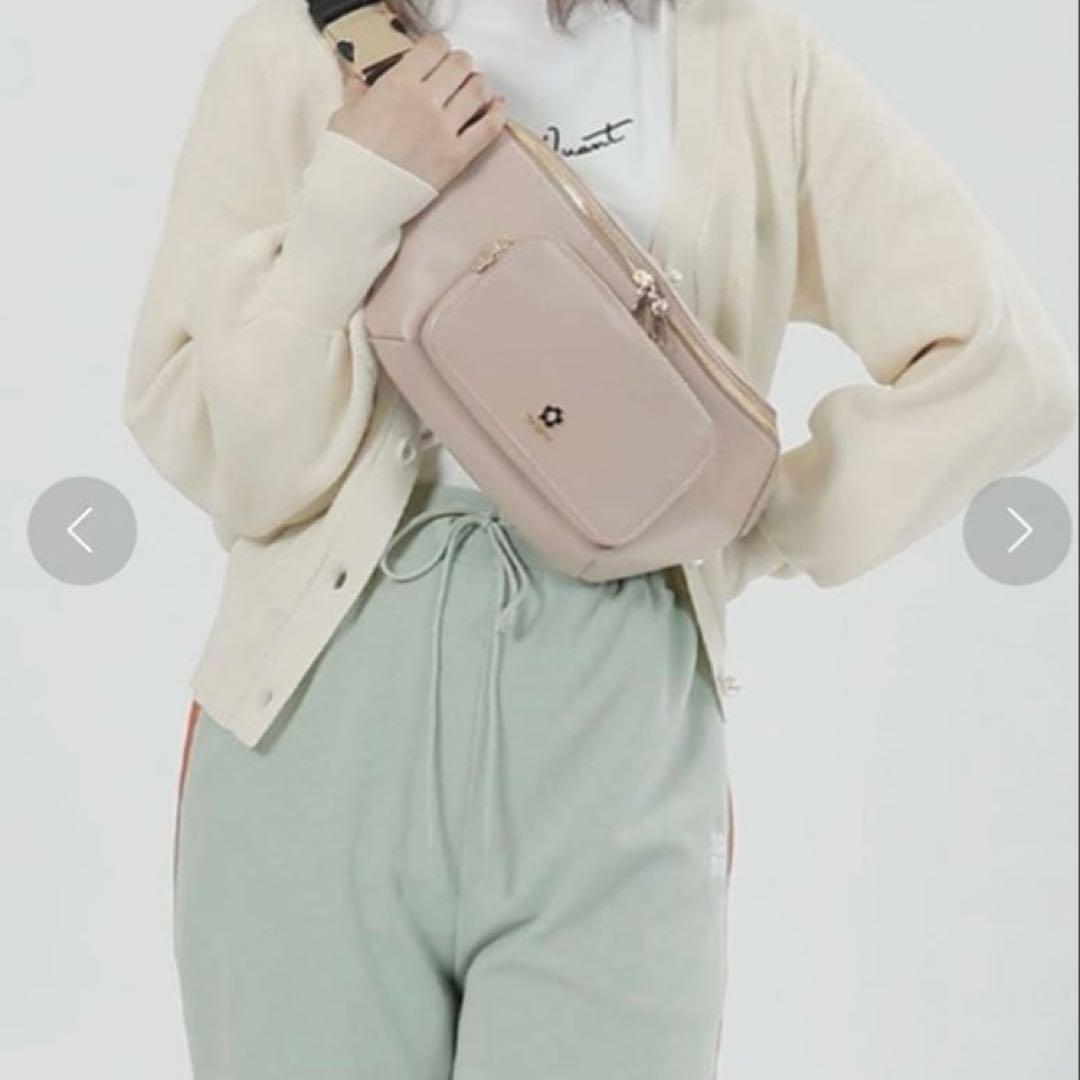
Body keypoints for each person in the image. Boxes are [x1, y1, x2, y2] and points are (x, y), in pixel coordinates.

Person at [123, 0, 1075, 1076]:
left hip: (616, 733)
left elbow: (1005, 367)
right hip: (315, 719)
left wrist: (748, 520)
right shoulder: (297, 51)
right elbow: (236, 467)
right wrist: (349, 202)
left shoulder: (746, 59)